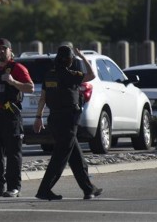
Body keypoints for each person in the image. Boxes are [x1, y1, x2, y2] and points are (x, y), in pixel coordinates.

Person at [34, 46, 103, 200]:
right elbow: (91, 75)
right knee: (60, 157)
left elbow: (43, 98)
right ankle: (44, 190)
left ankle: (88, 189)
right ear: (69, 60)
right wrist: (83, 56)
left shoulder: (49, 75)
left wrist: (38, 117)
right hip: (67, 121)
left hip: (55, 120)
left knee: (76, 157)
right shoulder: (69, 74)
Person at [0, 38, 34, 198]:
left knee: (13, 153)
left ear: (10, 51)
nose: (1, 51)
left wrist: (13, 81)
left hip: (10, 116)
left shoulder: (18, 68)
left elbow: (30, 87)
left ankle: (14, 187)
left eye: (4, 49)